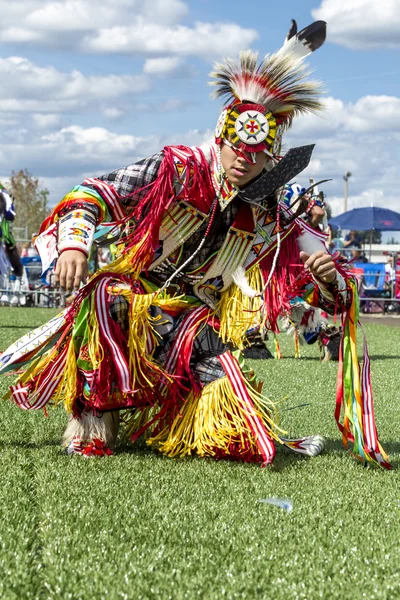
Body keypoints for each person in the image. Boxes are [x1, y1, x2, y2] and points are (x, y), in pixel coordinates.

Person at [0, 20, 390, 469]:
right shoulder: (177, 168)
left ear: (272, 156)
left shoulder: (268, 215)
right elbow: (93, 193)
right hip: (134, 301)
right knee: (108, 298)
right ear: (223, 134)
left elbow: (322, 298)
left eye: (257, 153)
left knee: (244, 437)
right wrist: (74, 245)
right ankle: (91, 424)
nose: (245, 159)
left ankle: (174, 419)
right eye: (238, 147)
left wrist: (328, 279)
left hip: (192, 325)